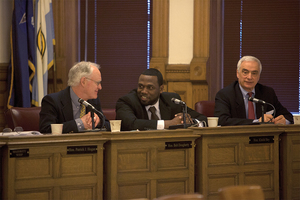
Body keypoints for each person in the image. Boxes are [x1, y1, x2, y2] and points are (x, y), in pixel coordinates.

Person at [115, 68, 207, 131]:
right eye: (141, 86)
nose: (143, 91)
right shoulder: (127, 101)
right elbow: (131, 124)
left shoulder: (171, 100)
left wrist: (189, 122)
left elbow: (203, 119)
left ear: (161, 89)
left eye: (150, 88)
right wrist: (168, 124)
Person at [214, 55, 294, 126]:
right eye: (245, 72)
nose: (249, 77)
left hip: (265, 138)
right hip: (237, 139)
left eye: (254, 73)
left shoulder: (267, 93)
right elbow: (222, 121)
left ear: (259, 76)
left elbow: (288, 116)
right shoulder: (225, 94)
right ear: (238, 73)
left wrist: (283, 121)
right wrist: (256, 121)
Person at [39, 61, 110, 133]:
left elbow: (108, 125)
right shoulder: (52, 101)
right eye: (97, 83)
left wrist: (98, 122)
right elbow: (46, 129)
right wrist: (80, 123)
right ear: (83, 81)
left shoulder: (93, 100)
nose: (100, 87)